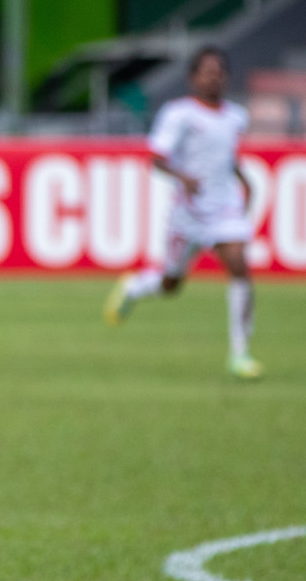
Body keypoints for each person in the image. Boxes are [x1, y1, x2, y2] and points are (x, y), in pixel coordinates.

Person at [104, 46, 260, 379]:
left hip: (224, 209)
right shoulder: (179, 114)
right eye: (207, 71)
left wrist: (245, 181)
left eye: (219, 71)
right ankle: (134, 287)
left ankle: (240, 353)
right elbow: (157, 156)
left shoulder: (236, 116)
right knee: (171, 283)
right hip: (187, 214)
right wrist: (183, 177)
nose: (214, 77)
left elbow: (225, 157)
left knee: (239, 265)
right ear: (193, 78)